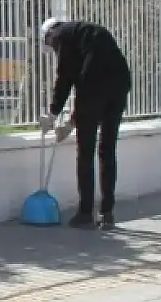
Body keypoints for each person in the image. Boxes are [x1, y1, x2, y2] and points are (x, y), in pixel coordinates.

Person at [40, 16, 132, 229]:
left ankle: (85, 213)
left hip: (96, 85)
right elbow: (88, 77)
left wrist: (53, 114)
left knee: (86, 151)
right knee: (107, 150)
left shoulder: (61, 36)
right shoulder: (85, 31)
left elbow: (67, 77)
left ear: (49, 34)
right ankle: (107, 213)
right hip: (120, 84)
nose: (52, 48)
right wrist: (72, 122)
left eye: (49, 44)